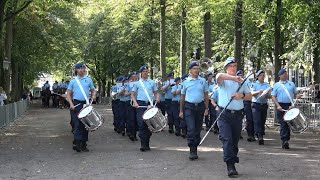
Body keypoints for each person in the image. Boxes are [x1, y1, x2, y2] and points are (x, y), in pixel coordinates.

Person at [216, 57, 251, 177]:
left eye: (235, 66)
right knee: (227, 139)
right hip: (224, 114)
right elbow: (219, 76)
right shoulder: (223, 80)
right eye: (230, 66)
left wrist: (241, 95)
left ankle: (233, 158)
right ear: (226, 68)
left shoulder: (243, 81)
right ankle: (230, 165)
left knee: (235, 141)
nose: (233, 68)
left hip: (237, 115)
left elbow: (250, 96)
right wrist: (233, 78)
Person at [179, 62, 209, 160]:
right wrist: (181, 111)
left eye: (197, 68)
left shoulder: (203, 81)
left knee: (197, 128)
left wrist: (206, 108)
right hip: (189, 107)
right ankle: (192, 148)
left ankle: (195, 147)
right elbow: (182, 97)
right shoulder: (185, 82)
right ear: (190, 71)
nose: (196, 70)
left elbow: (206, 95)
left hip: (200, 107)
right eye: (194, 69)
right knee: (191, 128)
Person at [66, 63, 96, 152]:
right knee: (76, 123)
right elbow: (68, 93)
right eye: (79, 68)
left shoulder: (88, 80)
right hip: (76, 104)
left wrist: (93, 96)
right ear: (76, 70)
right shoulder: (73, 81)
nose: (81, 70)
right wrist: (71, 104)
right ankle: (77, 142)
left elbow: (93, 90)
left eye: (83, 68)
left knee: (85, 125)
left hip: (85, 104)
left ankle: (83, 143)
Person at [131, 65, 160, 151]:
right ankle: (143, 144)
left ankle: (147, 142)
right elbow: (132, 94)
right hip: (141, 105)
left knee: (149, 124)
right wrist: (135, 103)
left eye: (147, 71)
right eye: (144, 71)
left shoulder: (152, 82)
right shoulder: (137, 83)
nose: (146, 73)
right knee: (141, 123)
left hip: (150, 105)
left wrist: (157, 98)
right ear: (141, 73)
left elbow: (156, 92)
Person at [271, 68, 299, 149]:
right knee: (283, 123)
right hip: (280, 106)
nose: (286, 75)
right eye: (284, 74)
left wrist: (295, 101)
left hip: (289, 105)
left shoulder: (291, 84)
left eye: (286, 74)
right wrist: (278, 105)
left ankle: (286, 139)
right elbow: (273, 96)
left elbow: (296, 93)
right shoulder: (276, 85)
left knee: (288, 123)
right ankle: (284, 140)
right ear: (280, 76)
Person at [251, 70, 271, 145]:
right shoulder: (254, 84)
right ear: (258, 76)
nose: (262, 77)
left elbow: (270, 95)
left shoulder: (267, 85)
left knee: (262, 120)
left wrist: (267, 95)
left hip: (264, 104)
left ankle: (260, 133)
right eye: (261, 75)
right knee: (257, 120)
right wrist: (258, 92)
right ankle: (260, 136)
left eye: (263, 75)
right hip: (256, 104)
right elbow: (251, 93)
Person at [125, 71, 139, 141]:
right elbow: (126, 93)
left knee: (137, 118)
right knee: (131, 118)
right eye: (133, 75)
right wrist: (132, 92)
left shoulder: (140, 83)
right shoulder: (128, 84)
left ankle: (135, 133)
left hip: (139, 102)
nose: (135, 76)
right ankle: (132, 133)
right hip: (131, 102)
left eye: (136, 75)